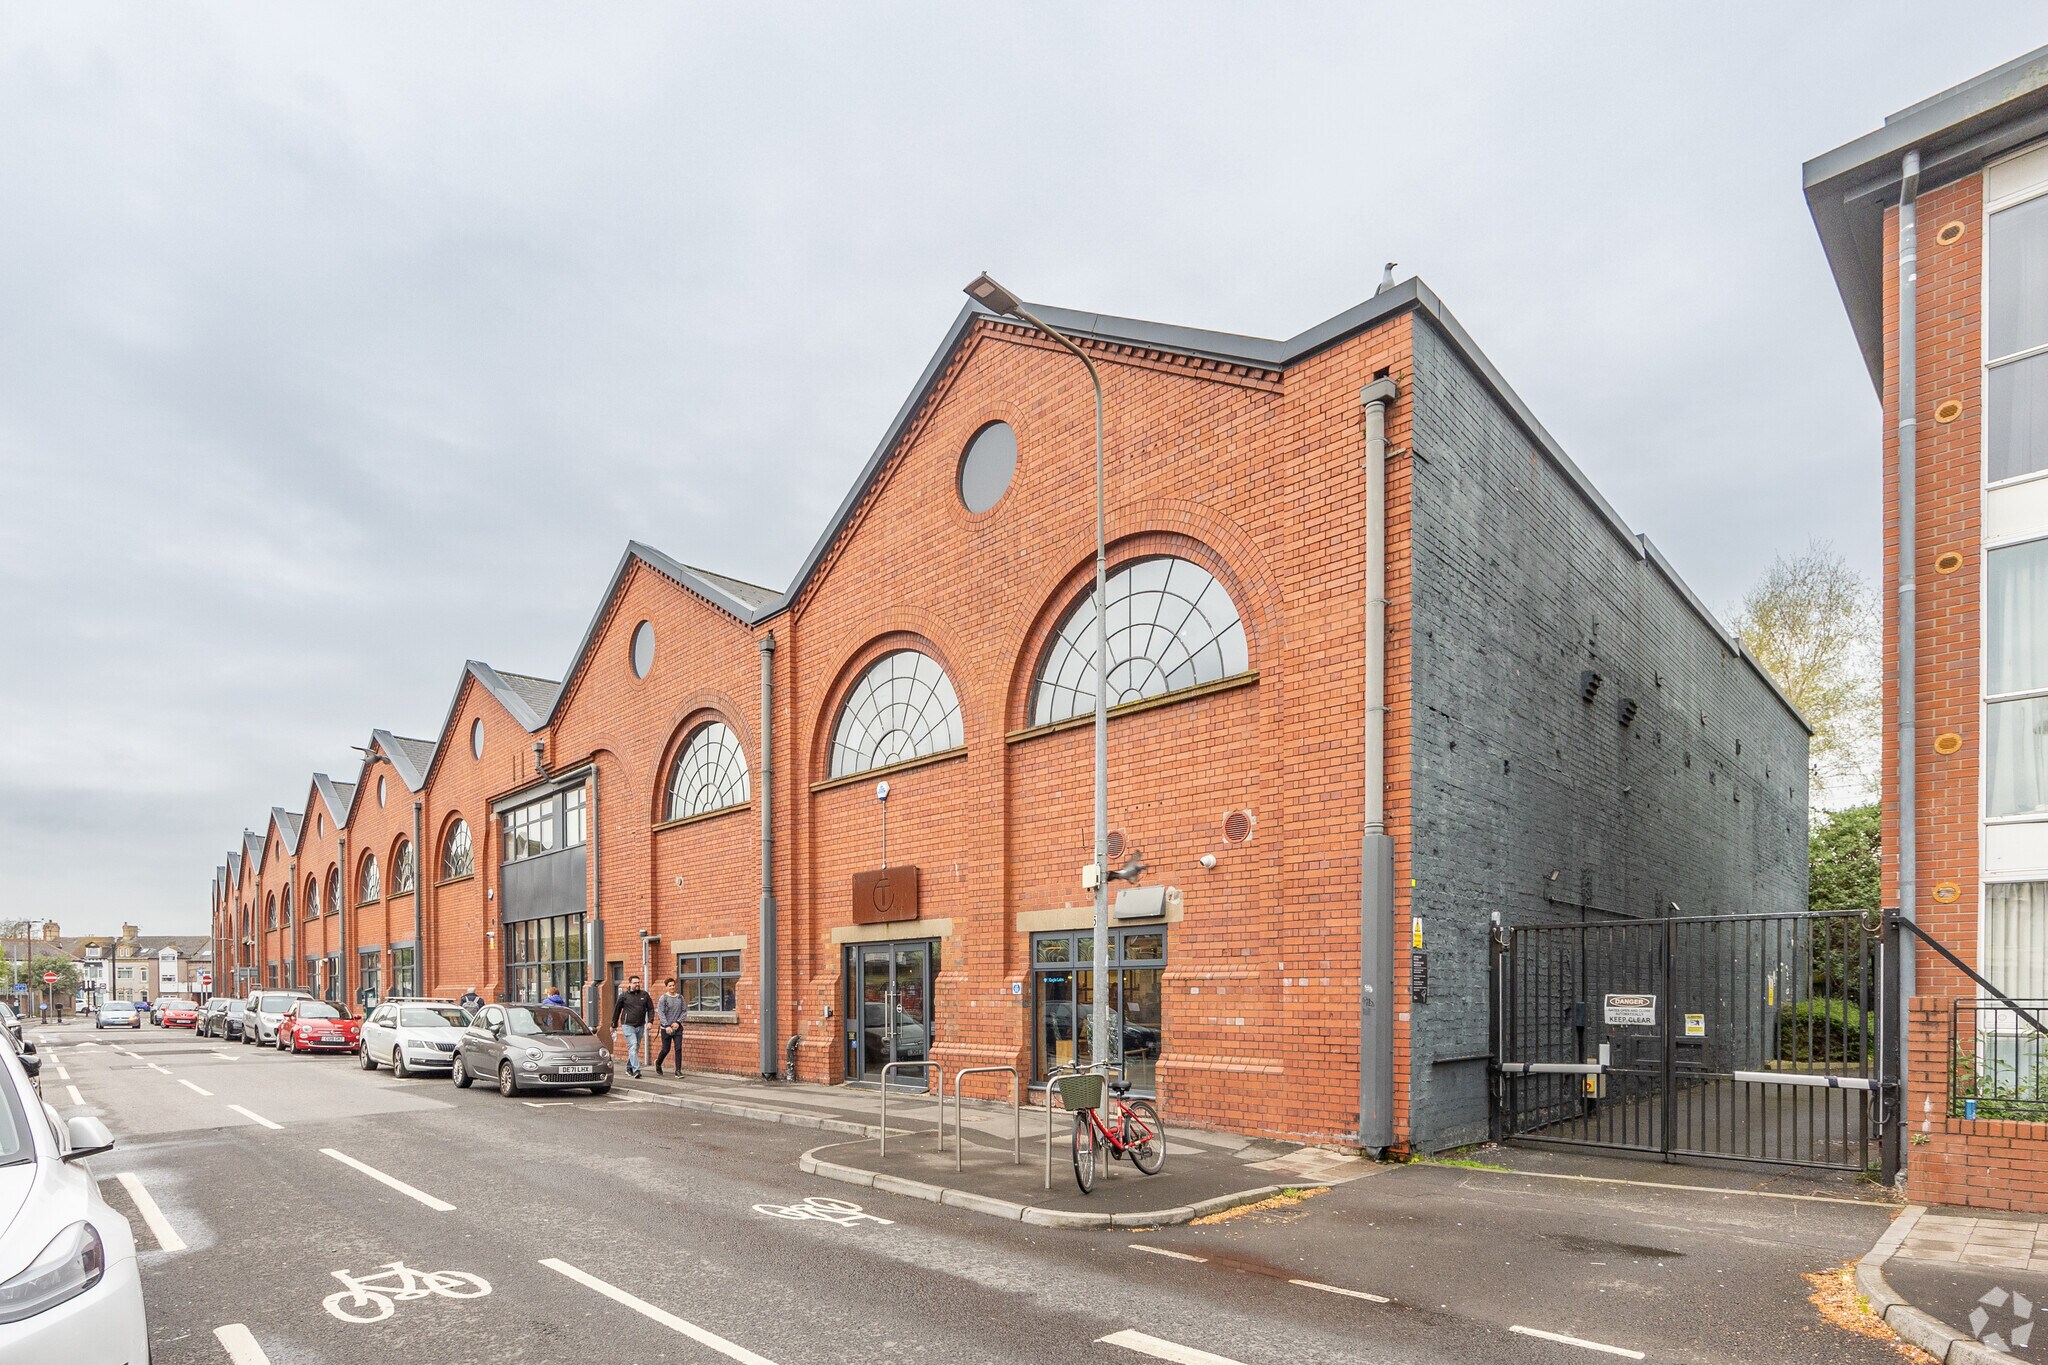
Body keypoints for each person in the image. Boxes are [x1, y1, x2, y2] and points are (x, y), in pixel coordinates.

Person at [612, 974, 654, 1079]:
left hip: (640, 1025)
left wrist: (650, 1021)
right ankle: (636, 1070)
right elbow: (617, 1010)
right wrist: (614, 1024)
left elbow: (651, 1009)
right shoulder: (624, 996)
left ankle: (629, 1068)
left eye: (638, 982)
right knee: (633, 1045)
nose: (637, 984)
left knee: (635, 1048)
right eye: (635, 983)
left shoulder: (644, 995)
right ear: (630, 984)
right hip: (628, 1025)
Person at [654, 977, 685, 1077]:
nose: (672, 987)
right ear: (666, 987)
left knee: (678, 1049)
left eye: (673, 985)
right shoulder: (663, 998)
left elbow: (684, 1011)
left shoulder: (680, 998)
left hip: (677, 1027)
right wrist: (666, 1025)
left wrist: (678, 1022)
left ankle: (678, 1070)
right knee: (666, 1049)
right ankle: (658, 1063)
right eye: (670, 986)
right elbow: (661, 1013)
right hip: (666, 1028)